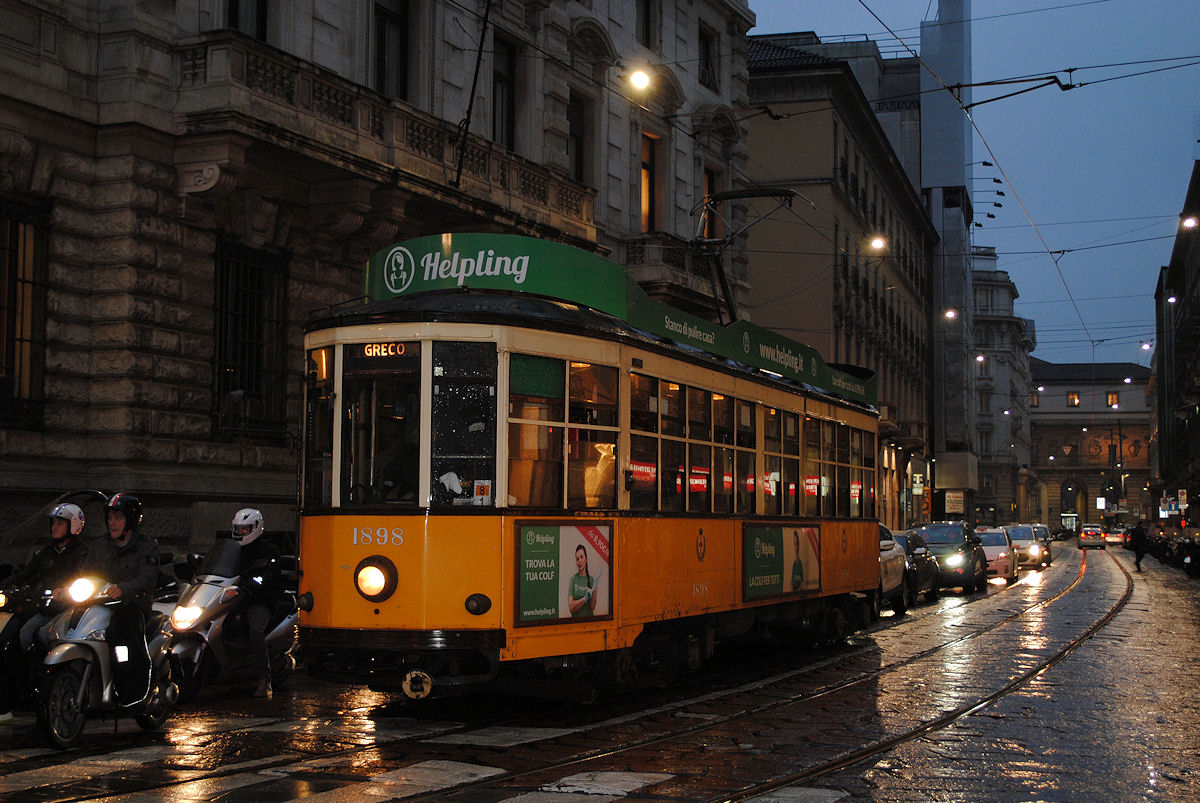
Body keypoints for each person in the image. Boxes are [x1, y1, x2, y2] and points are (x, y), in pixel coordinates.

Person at [0, 502, 91, 721]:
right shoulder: (48, 551)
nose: (54, 527)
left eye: (60, 523)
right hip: (44, 607)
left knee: (44, 635)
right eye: (53, 523)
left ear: (72, 525)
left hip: (69, 609)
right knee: (22, 635)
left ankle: (47, 680)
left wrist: (65, 591)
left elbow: (82, 579)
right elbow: (27, 572)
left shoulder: (82, 553)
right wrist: (5, 586)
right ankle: (27, 683)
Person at [89, 492, 160, 706]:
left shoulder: (146, 546)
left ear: (130, 520)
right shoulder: (99, 545)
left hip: (131, 604)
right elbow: (84, 571)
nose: (112, 522)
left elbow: (147, 578)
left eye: (118, 518)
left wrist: (123, 589)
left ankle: (132, 691)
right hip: (99, 603)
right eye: (110, 518)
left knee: (121, 637)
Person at [230, 508, 283, 698]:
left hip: (259, 600)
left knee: (255, 630)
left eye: (244, 529)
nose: (240, 532)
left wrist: (256, 581)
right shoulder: (233, 550)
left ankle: (264, 679)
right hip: (236, 598)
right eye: (238, 529)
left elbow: (272, 573)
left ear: (255, 528)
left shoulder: (268, 550)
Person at [567, 544, 597, 617]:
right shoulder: (573, 580)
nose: (579, 561)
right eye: (577, 559)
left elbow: (592, 607)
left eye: (581, 557)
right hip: (575, 622)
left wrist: (595, 590)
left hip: (589, 621)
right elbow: (571, 608)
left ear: (586, 559)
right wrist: (584, 599)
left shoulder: (591, 580)